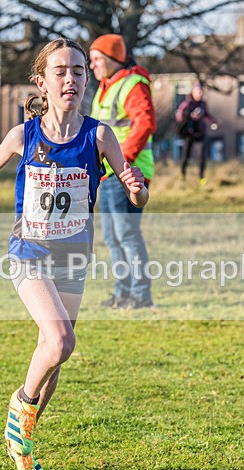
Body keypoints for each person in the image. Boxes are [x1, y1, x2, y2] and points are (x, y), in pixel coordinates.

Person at [0, 38, 147, 470]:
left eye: (78, 71)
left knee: (53, 354)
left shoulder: (99, 135)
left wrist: (137, 189)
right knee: (60, 341)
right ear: (42, 80)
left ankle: (22, 444)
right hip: (30, 253)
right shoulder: (24, 135)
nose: (70, 79)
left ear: (86, 79)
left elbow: (137, 193)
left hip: (74, 255)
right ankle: (19, 407)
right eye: (60, 71)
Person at [88, 34, 157, 310]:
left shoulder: (132, 84)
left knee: (126, 235)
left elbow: (146, 123)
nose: (92, 66)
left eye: (96, 60)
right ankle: (123, 294)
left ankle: (140, 296)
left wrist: (122, 163)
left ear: (113, 58)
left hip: (128, 172)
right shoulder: (107, 86)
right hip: (109, 174)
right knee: (112, 237)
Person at [175, 81, 218, 184]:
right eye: (198, 91)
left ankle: (201, 177)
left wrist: (214, 121)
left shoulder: (203, 104)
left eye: (201, 91)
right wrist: (190, 116)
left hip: (201, 132)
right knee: (186, 155)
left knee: (202, 156)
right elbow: (179, 116)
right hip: (189, 133)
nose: (200, 93)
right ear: (193, 91)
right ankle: (183, 174)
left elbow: (206, 115)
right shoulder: (187, 104)